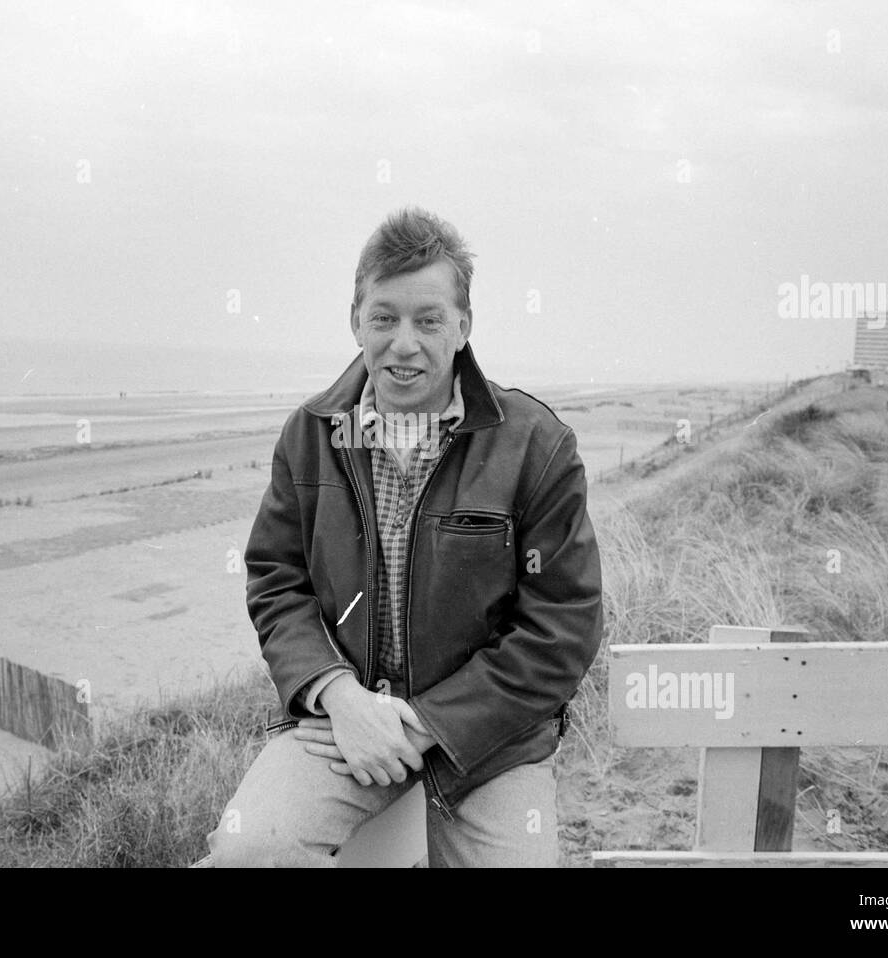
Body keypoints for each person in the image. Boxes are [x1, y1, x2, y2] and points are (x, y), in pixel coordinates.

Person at [207, 207, 604, 867]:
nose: (404, 342)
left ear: (463, 326)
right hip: (345, 722)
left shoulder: (536, 445)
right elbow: (278, 581)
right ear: (355, 319)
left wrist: (423, 724)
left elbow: (562, 625)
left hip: (490, 744)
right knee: (252, 849)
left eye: (428, 319)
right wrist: (337, 695)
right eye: (384, 317)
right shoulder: (310, 434)